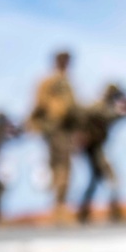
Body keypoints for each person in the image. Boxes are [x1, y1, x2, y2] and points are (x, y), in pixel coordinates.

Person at [29, 50, 80, 224]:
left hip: (66, 130)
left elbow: (73, 108)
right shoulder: (51, 82)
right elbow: (39, 105)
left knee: (63, 167)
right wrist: (39, 126)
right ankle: (59, 208)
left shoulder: (66, 81)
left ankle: (60, 207)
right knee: (61, 168)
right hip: (55, 130)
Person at [76, 83, 126, 224]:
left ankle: (83, 213)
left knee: (95, 179)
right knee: (111, 177)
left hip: (95, 146)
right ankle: (114, 211)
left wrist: (124, 112)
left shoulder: (105, 107)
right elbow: (105, 116)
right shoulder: (99, 107)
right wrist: (121, 112)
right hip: (92, 147)